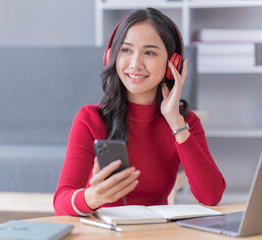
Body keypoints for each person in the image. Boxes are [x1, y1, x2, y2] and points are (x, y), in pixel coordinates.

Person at [53, 8, 226, 216]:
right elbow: (61, 202)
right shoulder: (90, 119)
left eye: (149, 52)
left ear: (173, 64)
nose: (135, 64)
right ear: (111, 57)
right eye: (126, 50)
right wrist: (93, 197)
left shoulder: (185, 123)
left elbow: (211, 196)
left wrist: (174, 120)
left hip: (159, 233)